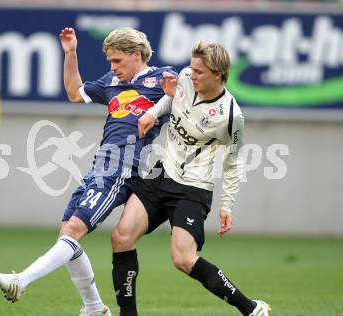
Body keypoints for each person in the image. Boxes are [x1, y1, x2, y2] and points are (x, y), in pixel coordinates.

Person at [0, 27, 176, 316]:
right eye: (110, 62)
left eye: (117, 61)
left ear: (136, 55)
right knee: (67, 233)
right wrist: (71, 54)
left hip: (124, 167)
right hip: (100, 165)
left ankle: (21, 280)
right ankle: (93, 308)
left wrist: (158, 111)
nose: (112, 68)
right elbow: (75, 93)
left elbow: (186, 94)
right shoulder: (111, 82)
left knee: (75, 229)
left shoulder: (162, 78)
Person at [110, 42, 271, 316]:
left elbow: (233, 163)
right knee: (121, 236)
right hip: (163, 174)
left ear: (217, 74)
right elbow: (174, 98)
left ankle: (252, 308)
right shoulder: (185, 77)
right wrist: (152, 113)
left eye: (199, 71)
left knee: (183, 259)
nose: (191, 74)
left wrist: (227, 205)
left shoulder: (230, 116)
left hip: (192, 189)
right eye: (192, 68)